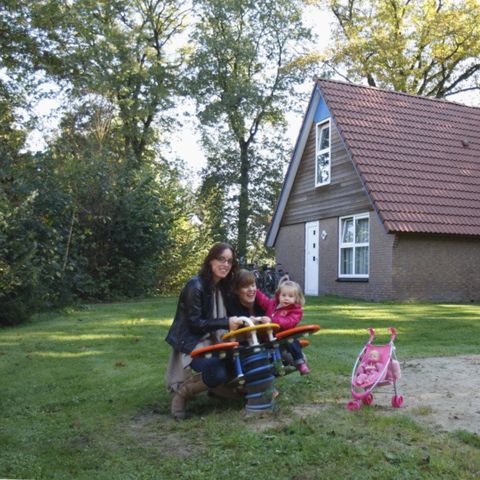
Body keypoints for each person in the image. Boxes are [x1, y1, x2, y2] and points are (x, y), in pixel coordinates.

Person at [165, 243, 244, 420]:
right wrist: (226, 322)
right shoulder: (195, 286)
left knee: (240, 357)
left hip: (216, 340)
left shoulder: (223, 287)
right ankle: (182, 395)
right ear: (210, 261)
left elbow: (240, 306)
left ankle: (217, 389)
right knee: (217, 372)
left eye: (229, 261)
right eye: (221, 259)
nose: (225, 264)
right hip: (193, 343)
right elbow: (195, 324)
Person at [255, 280, 311, 375]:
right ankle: (272, 371)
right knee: (268, 355)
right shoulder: (272, 304)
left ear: (296, 298)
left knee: (291, 341)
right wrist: (255, 291)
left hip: (284, 340)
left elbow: (289, 322)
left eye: (290, 296)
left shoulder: (296, 311)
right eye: (283, 295)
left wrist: (272, 320)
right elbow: (264, 300)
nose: (286, 298)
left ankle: (300, 363)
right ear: (278, 295)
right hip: (269, 339)